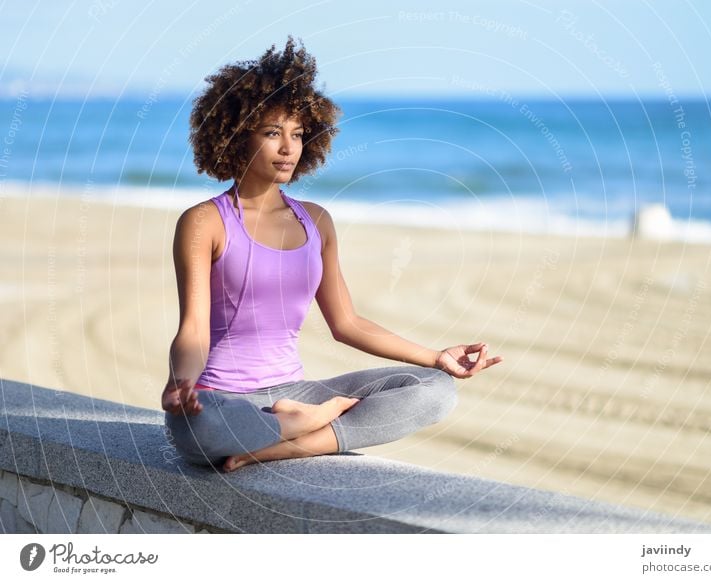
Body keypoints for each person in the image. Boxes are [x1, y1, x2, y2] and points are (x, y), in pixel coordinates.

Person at [162, 36, 503, 473]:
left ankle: (285, 441)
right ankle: (302, 426)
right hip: (225, 401)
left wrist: (437, 357)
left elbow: (347, 324)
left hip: (295, 391)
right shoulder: (205, 221)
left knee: (435, 390)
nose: (289, 148)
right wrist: (182, 385)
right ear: (235, 136)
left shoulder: (316, 222)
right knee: (196, 433)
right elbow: (193, 329)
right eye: (272, 133)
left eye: (299, 134)